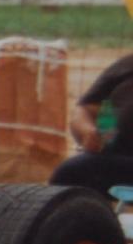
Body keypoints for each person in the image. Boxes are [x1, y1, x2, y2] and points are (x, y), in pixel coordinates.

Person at [50, 53, 133, 197]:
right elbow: (85, 110)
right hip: (118, 159)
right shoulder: (127, 65)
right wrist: (87, 131)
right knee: (71, 172)